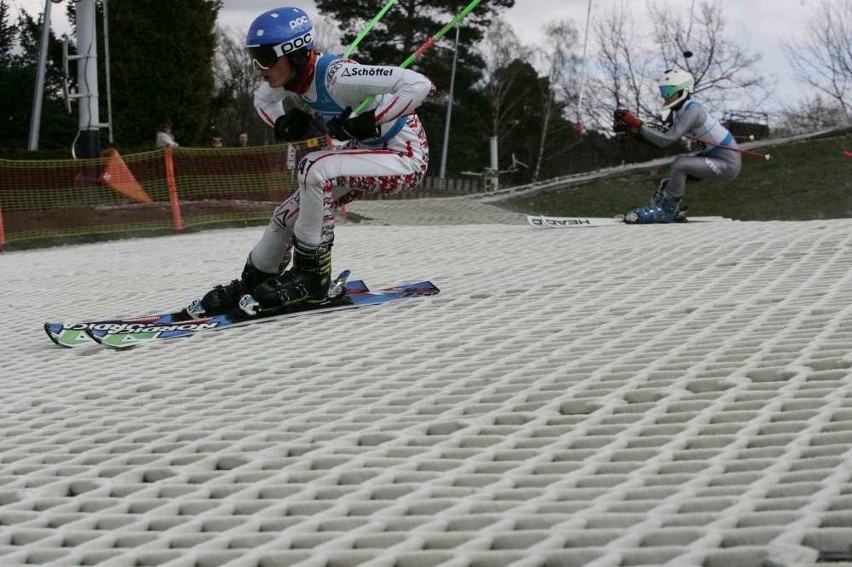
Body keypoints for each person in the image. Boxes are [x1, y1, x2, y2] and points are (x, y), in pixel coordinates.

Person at [191, 7, 433, 317]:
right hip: (368, 154)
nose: (257, 65)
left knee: (314, 169)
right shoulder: (289, 80)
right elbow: (262, 100)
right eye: (254, 55)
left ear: (293, 54)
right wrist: (283, 124)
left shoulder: (339, 77)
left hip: (406, 158)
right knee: (286, 215)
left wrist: (370, 121)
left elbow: (419, 84)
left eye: (265, 57)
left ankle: (312, 277)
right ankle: (256, 281)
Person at [613, 69, 742, 223]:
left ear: (684, 91)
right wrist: (632, 129)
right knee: (669, 182)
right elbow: (658, 137)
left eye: (668, 91)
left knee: (680, 164)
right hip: (714, 157)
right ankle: (667, 208)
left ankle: (666, 211)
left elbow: (667, 138)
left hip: (728, 164)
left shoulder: (694, 111)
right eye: (662, 91)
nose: (664, 96)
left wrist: (636, 125)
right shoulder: (678, 112)